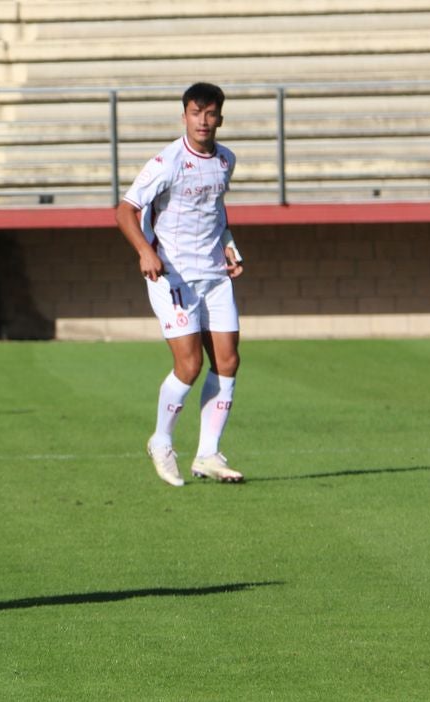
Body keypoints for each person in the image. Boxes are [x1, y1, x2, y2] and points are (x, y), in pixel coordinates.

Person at [115, 82, 246, 487]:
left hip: (214, 275)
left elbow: (214, 208)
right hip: (172, 275)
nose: (203, 121)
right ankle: (161, 440)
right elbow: (125, 210)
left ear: (220, 118)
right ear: (184, 115)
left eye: (210, 114)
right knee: (189, 365)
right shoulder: (168, 161)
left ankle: (207, 454)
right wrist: (144, 251)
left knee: (228, 361)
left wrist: (228, 244)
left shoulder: (226, 160)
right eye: (195, 113)